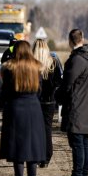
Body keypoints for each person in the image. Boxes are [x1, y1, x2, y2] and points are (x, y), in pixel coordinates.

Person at [0, 40, 45, 176]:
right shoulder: (37, 67)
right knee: (33, 147)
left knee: (18, 149)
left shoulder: (9, 68)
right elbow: (40, 91)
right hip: (34, 109)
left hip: (15, 109)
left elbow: (4, 92)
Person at [55, 29, 88, 176]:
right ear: (82, 39)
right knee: (84, 143)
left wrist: (57, 97)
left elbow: (67, 84)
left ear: (70, 41)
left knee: (78, 145)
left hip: (77, 108)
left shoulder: (77, 60)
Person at [32, 38, 62, 168]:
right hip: (49, 101)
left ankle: (37, 155)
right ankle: (47, 156)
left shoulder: (32, 64)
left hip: (35, 100)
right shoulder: (53, 63)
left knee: (35, 129)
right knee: (47, 129)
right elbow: (58, 82)